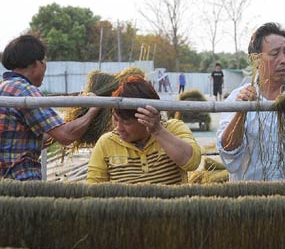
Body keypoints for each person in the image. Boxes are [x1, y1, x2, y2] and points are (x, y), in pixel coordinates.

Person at [216, 22, 285, 181]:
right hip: (251, 199)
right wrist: (241, 112)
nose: (283, 60)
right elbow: (228, 152)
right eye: (275, 53)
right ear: (256, 59)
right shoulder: (237, 99)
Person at [0, 34, 100, 181]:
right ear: (35, 64)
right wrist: (93, 110)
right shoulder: (26, 91)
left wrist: (63, 124)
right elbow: (66, 136)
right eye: (44, 61)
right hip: (22, 183)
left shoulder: (4, 88)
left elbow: (25, 137)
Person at [87, 76, 201, 184]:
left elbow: (192, 163)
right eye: (115, 119)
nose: (119, 128)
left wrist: (158, 131)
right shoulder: (106, 143)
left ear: (147, 116)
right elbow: (93, 189)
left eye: (127, 122)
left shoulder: (174, 129)